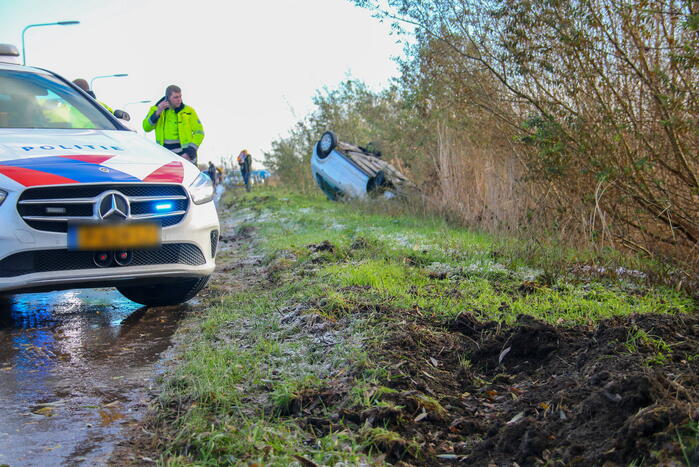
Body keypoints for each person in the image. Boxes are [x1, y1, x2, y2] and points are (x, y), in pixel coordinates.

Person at [143, 85, 204, 164]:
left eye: (180, 96)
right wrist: (157, 113)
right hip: (165, 157)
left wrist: (190, 152)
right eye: (176, 97)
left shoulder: (189, 111)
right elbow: (146, 128)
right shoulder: (156, 109)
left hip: (187, 156)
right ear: (168, 98)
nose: (179, 100)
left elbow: (199, 132)